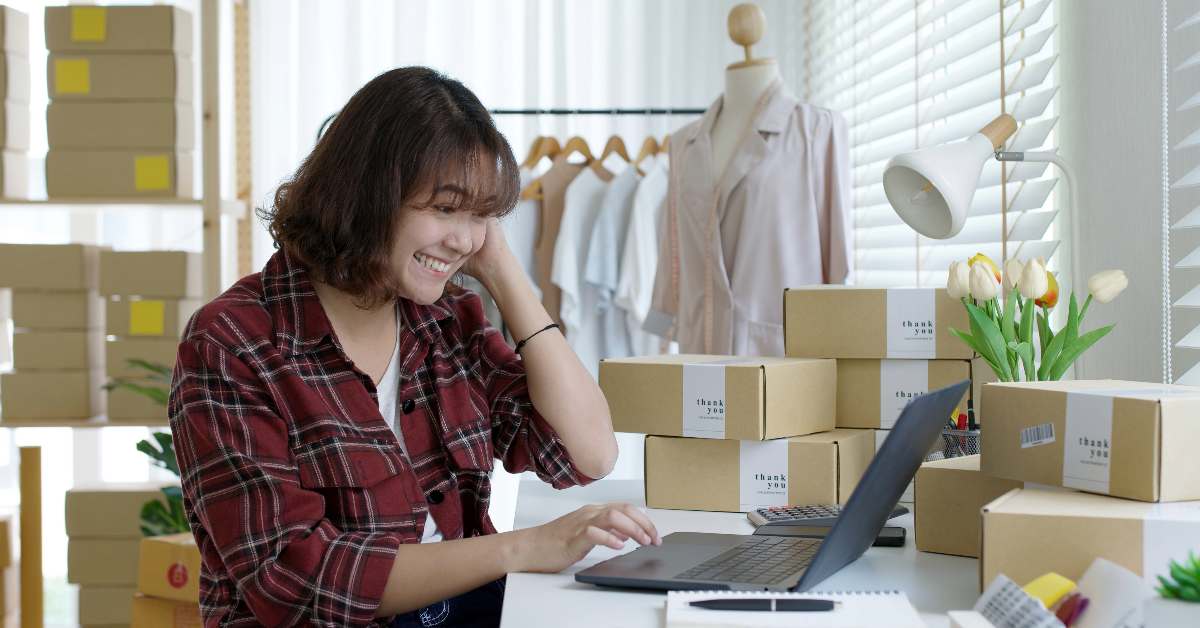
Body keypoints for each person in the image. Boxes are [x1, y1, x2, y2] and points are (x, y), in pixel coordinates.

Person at [169, 66, 662, 628]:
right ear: (367, 191)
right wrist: (523, 548)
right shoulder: (232, 344)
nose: (464, 238)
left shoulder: (448, 320)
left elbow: (587, 453)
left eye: (481, 216)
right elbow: (294, 579)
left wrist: (502, 272)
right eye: (445, 208)